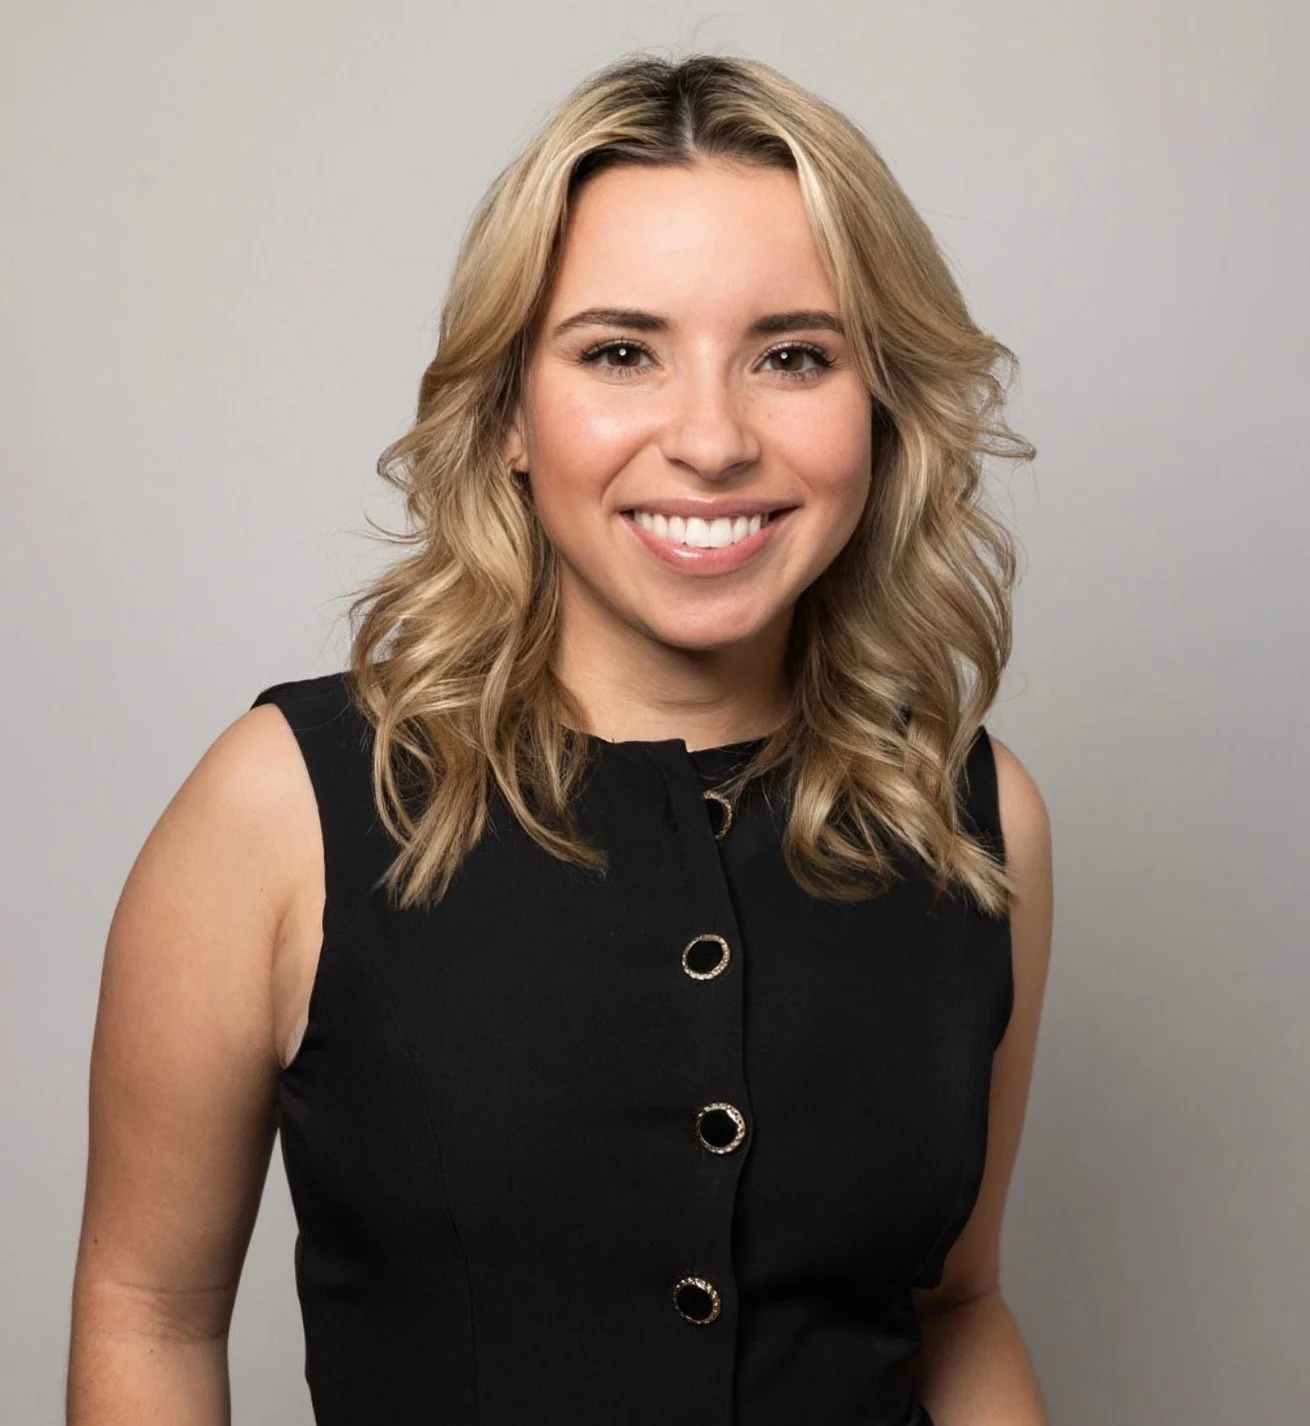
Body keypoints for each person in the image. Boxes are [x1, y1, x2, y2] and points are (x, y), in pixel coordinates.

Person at [67, 51, 1054, 1426]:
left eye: (792, 355)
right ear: (510, 416)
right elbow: (149, 1315)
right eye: (619, 352)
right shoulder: (284, 805)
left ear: (881, 411)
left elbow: (956, 1308)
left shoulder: (972, 816)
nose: (711, 439)